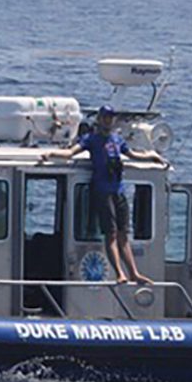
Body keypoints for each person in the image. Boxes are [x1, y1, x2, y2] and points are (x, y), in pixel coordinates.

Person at [42, 105, 165, 284]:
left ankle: (133, 273)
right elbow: (70, 152)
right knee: (111, 234)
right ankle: (119, 273)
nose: (109, 120)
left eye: (111, 117)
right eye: (106, 117)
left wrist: (152, 156)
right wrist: (51, 153)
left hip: (118, 191)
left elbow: (132, 155)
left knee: (124, 235)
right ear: (99, 119)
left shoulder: (117, 140)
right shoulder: (91, 139)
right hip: (102, 191)